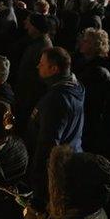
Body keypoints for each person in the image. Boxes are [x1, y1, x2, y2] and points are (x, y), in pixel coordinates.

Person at [28, 47, 85, 210]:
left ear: (54, 69)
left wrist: (37, 179)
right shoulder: (76, 87)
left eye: (42, 64)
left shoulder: (56, 99)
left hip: (54, 168)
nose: (38, 66)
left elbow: (48, 142)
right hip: (71, 152)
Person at [74, 28, 110, 154]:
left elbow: (93, 102)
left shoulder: (98, 72)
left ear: (96, 46)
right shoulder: (85, 63)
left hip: (90, 121)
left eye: (87, 41)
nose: (82, 43)